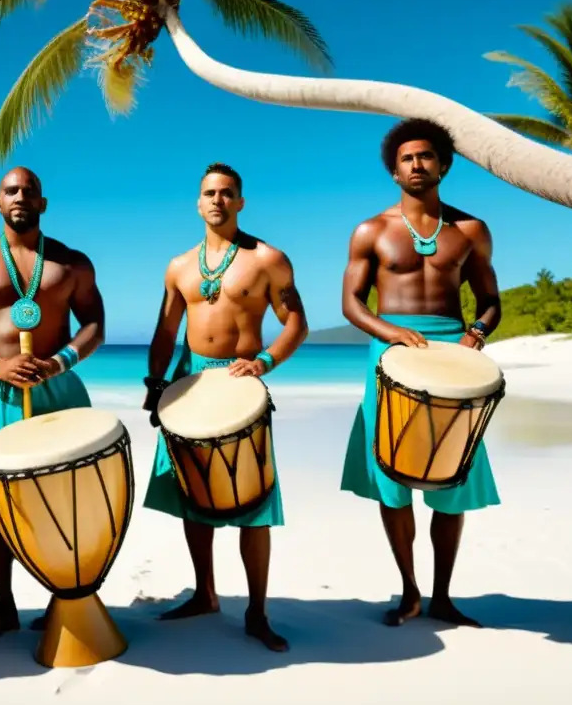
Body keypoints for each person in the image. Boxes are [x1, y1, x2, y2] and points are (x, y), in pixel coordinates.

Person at [339, 118, 502, 628]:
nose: (416, 165)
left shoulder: (470, 231)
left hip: (453, 352)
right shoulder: (372, 230)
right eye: (407, 158)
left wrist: (474, 333)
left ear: (444, 165)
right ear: (394, 171)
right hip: (390, 356)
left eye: (426, 157)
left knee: (452, 478)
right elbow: (350, 303)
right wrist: (389, 332)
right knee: (393, 479)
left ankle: (443, 596)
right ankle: (409, 592)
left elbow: (490, 301)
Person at [142, 162, 309, 652]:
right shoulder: (179, 267)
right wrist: (155, 387)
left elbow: (296, 324)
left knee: (254, 504)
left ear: (240, 202)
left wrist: (264, 361)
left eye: (227, 193)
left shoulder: (267, 260)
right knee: (193, 495)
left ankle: (258, 611)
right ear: (198, 203)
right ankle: (205, 594)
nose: (217, 200)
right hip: (190, 382)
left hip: (241, 384)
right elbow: (165, 331)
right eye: (209, 193)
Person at [0, 166, 106, 643]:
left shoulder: (72, 263)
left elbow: (95, 324)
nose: (19, 196)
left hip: (60, 391)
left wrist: (60, 363)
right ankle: (5, 606)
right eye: (10, 190)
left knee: (67, 496)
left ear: (43, 203)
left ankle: (66, 595)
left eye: (29, 191)